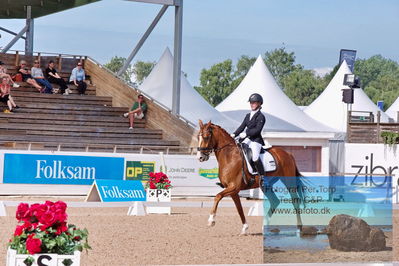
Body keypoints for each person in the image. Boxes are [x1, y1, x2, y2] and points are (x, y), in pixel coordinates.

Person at [230, 93, 266, 184]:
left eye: (254, 102)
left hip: (256, 140)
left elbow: (257, 130)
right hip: (247, 139)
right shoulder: (247, 115)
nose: (252, 104)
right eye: (251, 102)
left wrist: (246, 133)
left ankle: (262, 176)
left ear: (259, 104)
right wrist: (234, 134)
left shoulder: (261, 117)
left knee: (254, 157)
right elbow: (242, 126)